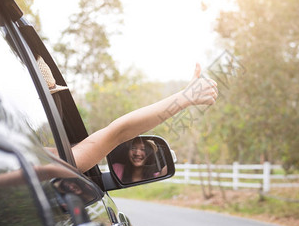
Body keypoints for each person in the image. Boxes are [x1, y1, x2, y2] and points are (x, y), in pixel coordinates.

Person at [37, 55, 218, 172]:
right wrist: (185, 98)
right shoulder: (26, 159)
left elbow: (115, 134)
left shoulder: (32, 155)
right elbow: (118, 133)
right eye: (51, 99)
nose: (55, 109)